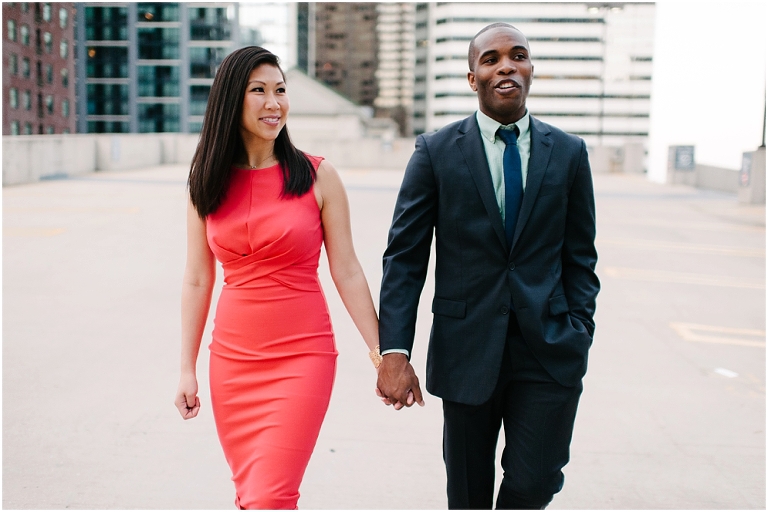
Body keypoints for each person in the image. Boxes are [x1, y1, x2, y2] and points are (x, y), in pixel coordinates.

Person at [376, 23, 600, 509]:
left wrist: (579, 328)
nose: (506, 65)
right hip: (466, 349)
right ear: (473, 77)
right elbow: (405, 257)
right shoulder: (435, 152)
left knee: (536, 480)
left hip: (549, 348)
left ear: (530, 71)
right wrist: (393, 351)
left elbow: (581, 257)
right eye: (491, 58)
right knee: (468, 494)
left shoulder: (568, 153)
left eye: (517, 56)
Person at [173, 46, 382, 510]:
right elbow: (196, 279)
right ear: (231, 99)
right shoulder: (204, 181)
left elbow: (346, 268)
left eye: (281, 90)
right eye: (259, 91)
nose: (275, 103)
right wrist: (187, 368)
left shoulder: (317, 175)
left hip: (301, 358)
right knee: (251, 495)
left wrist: (381, 352)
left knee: (270, 496)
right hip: (231, 362)